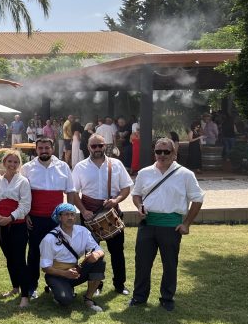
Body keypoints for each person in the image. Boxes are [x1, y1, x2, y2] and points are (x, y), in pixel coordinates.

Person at [130, 138, 204, 311]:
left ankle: (167, 298)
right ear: (154, 153)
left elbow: (198, 199)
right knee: (142, 263)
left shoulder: (185, 174)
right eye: (158, 152)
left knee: (169, 264)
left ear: (174, 153)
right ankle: (139, 297)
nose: (162, 155)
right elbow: (136, 194)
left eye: (166, 152)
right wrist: (139, 206)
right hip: (147, 223)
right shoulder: (144, 173)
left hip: (171, 225)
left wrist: (187, 224)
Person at [73, 133, 133, 295]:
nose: (97, 149)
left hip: (112, 213)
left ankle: (120, 285)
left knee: (117, 252)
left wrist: (117, 200)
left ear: (105, 146)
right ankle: (96, 285)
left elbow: (126, 187)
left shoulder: (117, 164)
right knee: (92, 254)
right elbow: (73, 193)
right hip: (89, 215)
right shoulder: (80, 167)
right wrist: (83, 211)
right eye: (94, 146)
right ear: (88, 147)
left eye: (100, 145)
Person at [21, 137, 78, 298]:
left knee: (58, 253)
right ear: (36, 149)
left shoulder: (63, 166)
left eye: (47, 147)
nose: (44, 150)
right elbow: (22, 194)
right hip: (35, 218)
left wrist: (70, 214)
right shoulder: (27, 168)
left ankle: (56, 285)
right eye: (41, 148)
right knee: (33, 253)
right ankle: (32, 286)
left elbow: (71, 191)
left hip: (56, 220)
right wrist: (26, 214)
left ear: (52, 149)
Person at [40, 203, 106, 313]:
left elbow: (99, 249)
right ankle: (57, 290)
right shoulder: (49, 239)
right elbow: (46, 268)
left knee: (99, 261)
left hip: (76, 271)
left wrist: (96, 255)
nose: (70, 217)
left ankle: (88, 299)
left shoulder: (83, 231)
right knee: (65, 300)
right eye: (66, 215)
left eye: (72, 214)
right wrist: (65, 273)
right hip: (57, 275)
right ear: (59, 217)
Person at [0, 150, 31, 308]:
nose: (12, 165)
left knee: (20, 259)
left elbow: (25, 205)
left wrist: (10, 218)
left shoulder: (23, 181)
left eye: (16, 162)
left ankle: (25, 296)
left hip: (17, 225)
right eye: (10, 161)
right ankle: (15, 287)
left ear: (19, 164)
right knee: (9, 258)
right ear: (4, 162)